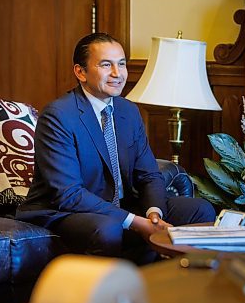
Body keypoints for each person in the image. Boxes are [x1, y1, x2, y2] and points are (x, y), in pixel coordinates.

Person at [16, 33, 215, 264]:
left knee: (200, 209)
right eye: (105, 65)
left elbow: (149, 175)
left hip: (122, 204)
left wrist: (153, 214)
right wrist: (135, 221)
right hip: (65, 210)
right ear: (80, 72)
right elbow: (68, 194)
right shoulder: (59, 116)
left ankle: (169, 288)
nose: (117, 74)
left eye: (121, 64)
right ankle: (111, 294)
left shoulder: (128, 111)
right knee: (109, 227)